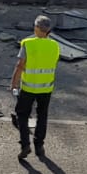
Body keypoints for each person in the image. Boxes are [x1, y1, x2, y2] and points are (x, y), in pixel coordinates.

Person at [11, 14, 61, 161]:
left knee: (22, 115)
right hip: (46, 88)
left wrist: (14, 83)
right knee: (42, 116)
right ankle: (39, 146)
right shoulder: (55, 45)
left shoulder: (27, 43)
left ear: (37, 28)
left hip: (28, 88)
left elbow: (20, 65)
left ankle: (25, 145)